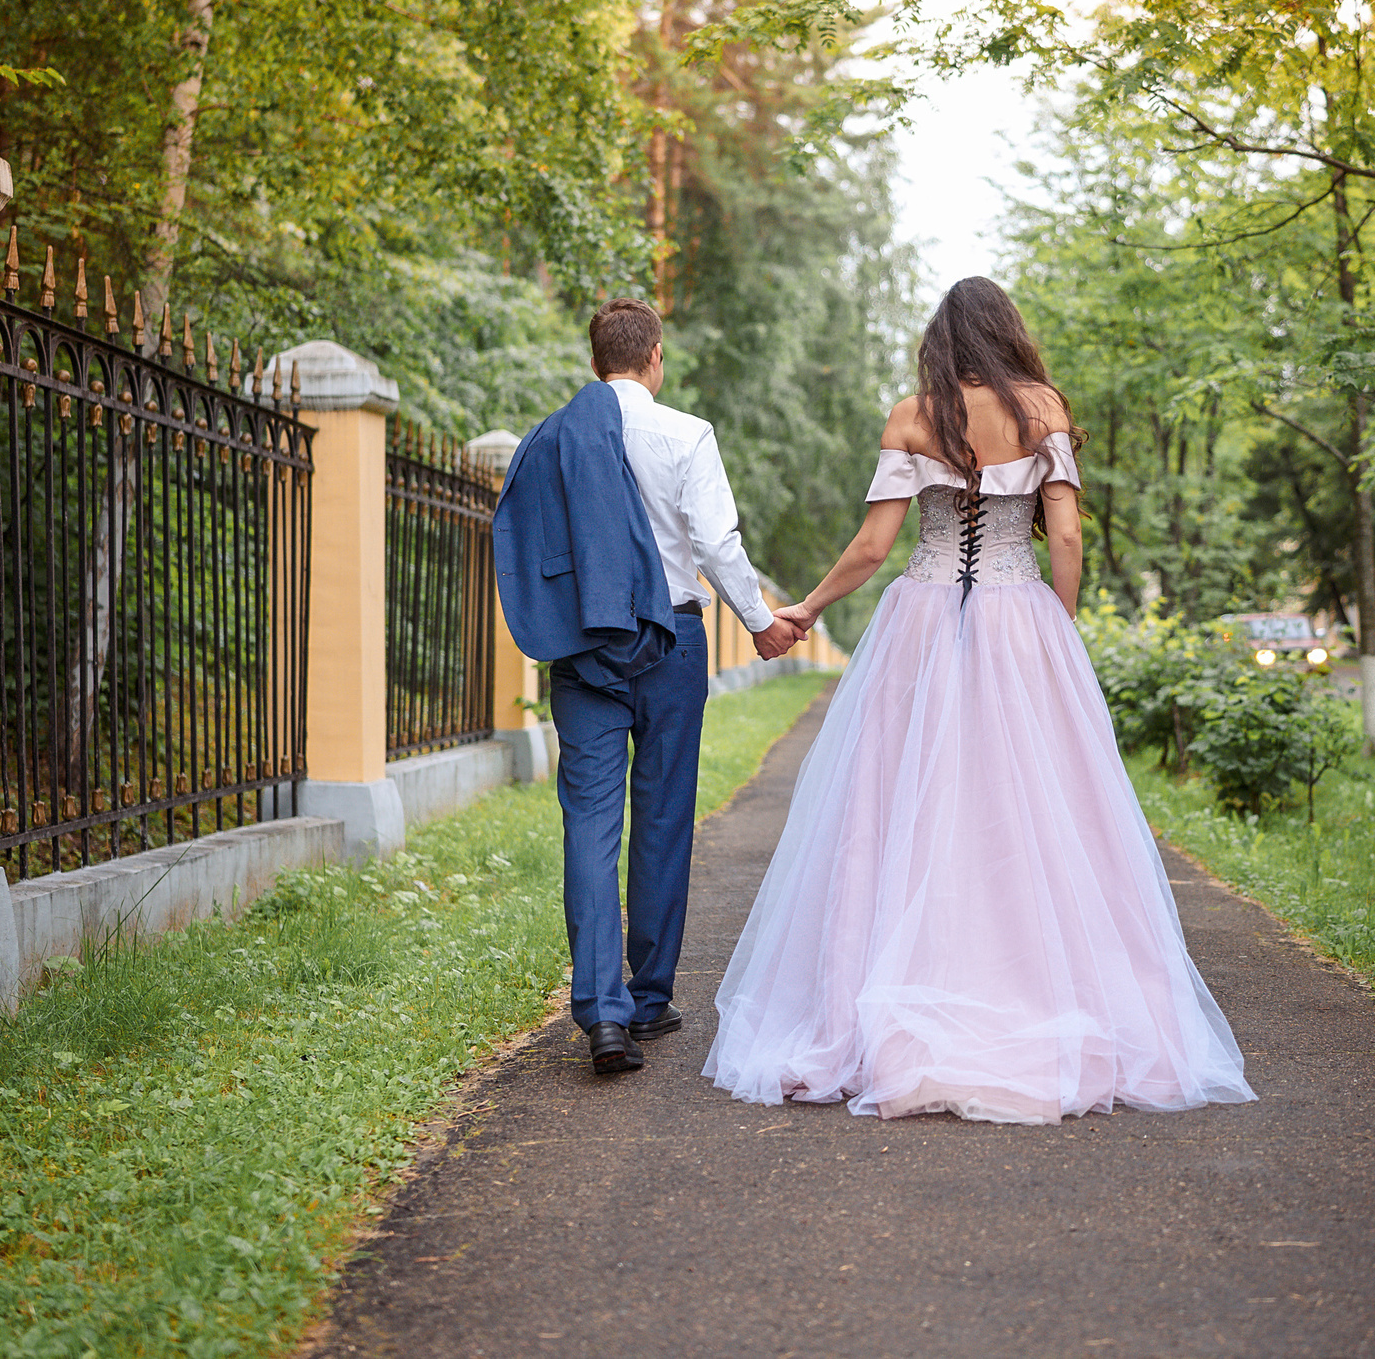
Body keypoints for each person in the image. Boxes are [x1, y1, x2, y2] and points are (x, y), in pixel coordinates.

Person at [701, 277, 1255, 1124]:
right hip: (1018, 617)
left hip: (920, 622)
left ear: (942, 340)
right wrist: (1057, 626)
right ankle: (1040, 990)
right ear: (1009, 333)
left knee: (899, 805)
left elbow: (874, 544)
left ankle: (889, 1004)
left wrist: (809, 607)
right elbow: (1064, 532)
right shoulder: (1043, 409)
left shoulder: (912, 414)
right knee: (1033, 804)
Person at [495, 298, 803, 1077]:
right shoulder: (685, 433)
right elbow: (715, 540)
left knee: (589, 823)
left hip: (585, 646)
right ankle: (649, 995)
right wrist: (761, 620)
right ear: (655, 356)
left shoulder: (557, 439)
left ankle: (600, 1011)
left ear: (594, 360)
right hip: (670, 638)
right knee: (663, 811)